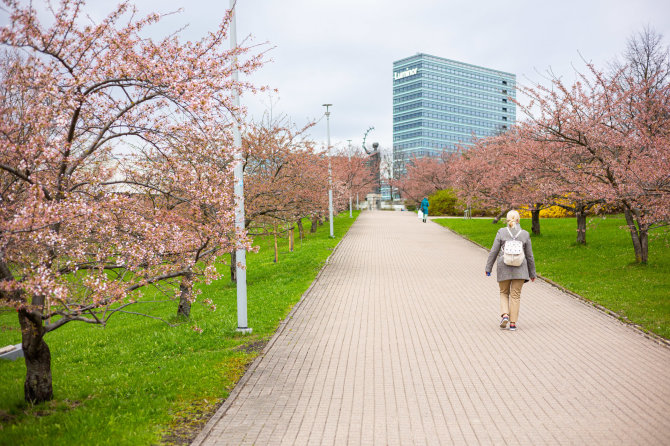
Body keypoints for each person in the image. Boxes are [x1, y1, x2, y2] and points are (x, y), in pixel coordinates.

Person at [485, 210, 536, 331]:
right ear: (518, 220)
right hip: (520, 268)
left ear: (507, 220)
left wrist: (488, 268)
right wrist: (532, 273)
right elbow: (529, 256)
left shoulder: (501, 232)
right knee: (515, 295)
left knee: (503, 292)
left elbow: (494, 251)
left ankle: (505, 315)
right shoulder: (525, 234)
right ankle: (513, 323)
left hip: (504, 266)